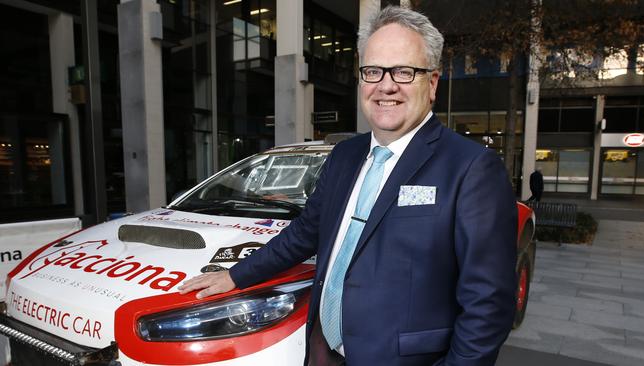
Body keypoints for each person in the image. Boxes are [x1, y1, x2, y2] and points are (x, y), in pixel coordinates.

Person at [179, 6, 517, 366]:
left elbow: (489, 303)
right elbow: (304, 234)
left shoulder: (471, 168)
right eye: (373, 71)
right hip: (324, 350)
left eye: (403, 71)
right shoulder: (344, 155)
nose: (386, 85)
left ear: (431, 83)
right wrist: (235, 275)